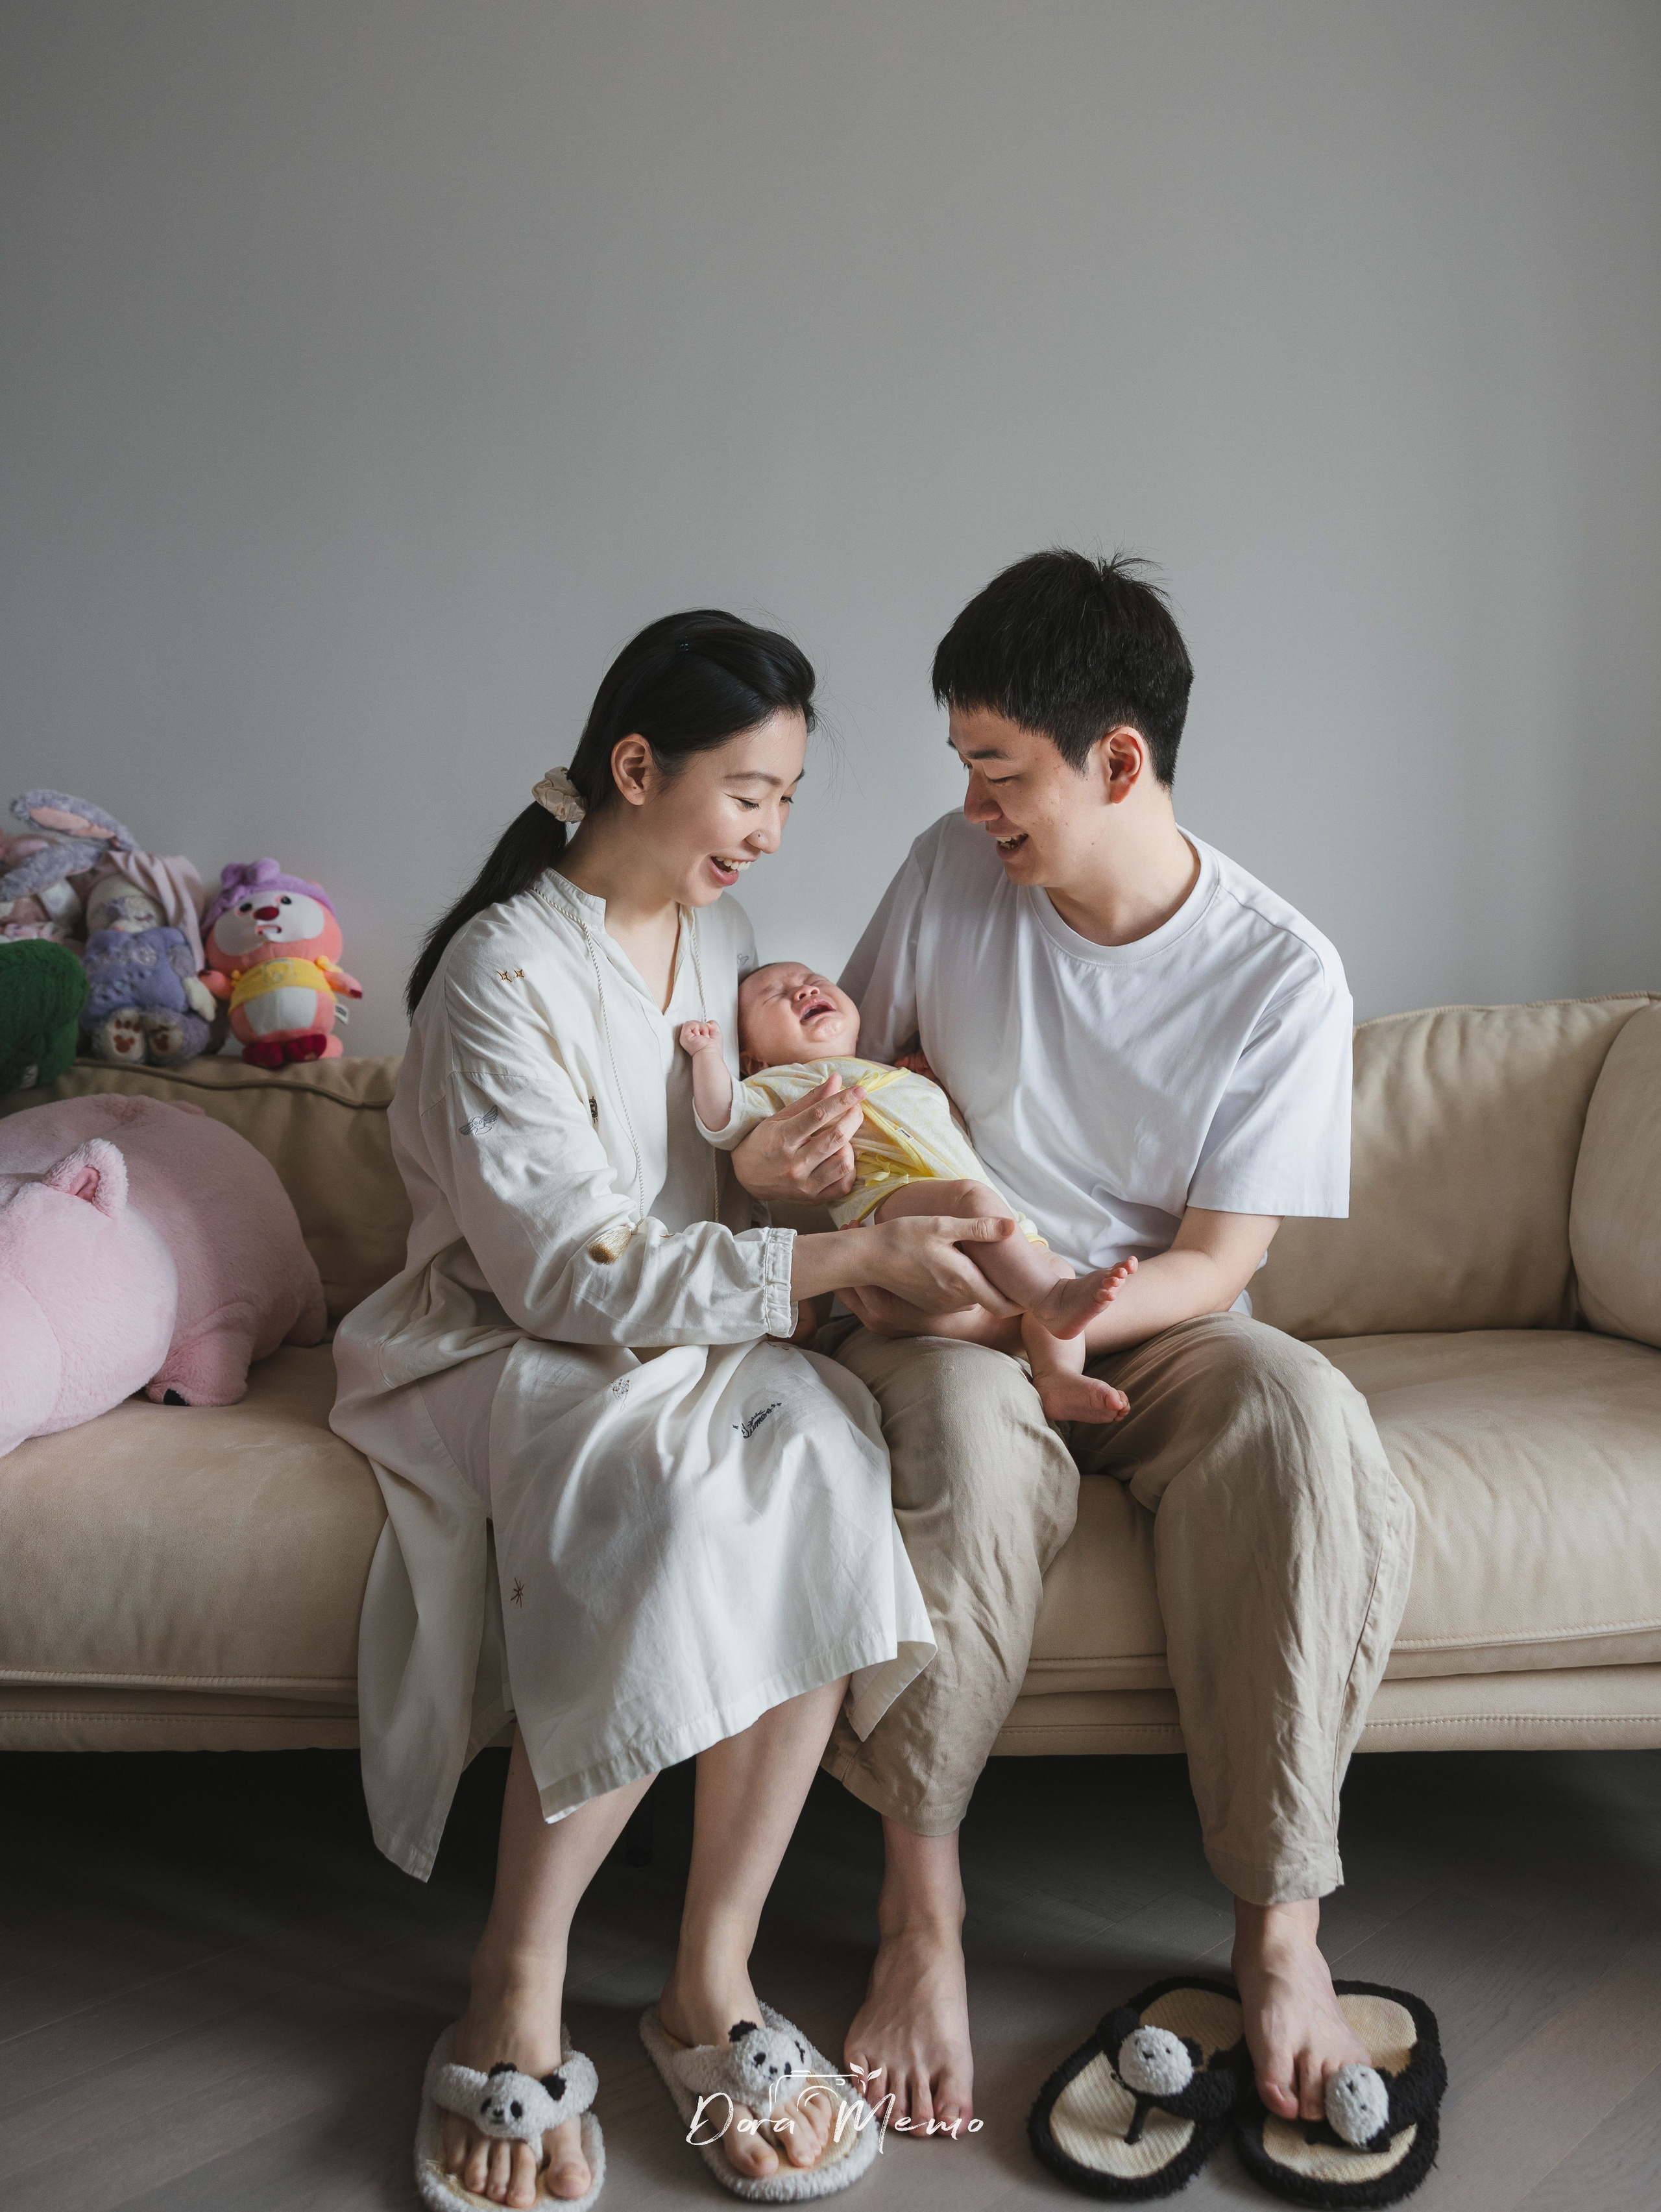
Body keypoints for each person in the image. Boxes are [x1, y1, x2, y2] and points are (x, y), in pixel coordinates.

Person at [332, 610, 1022, 2209]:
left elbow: (697, 1184)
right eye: (746, 792)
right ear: (634, 769)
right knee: (666, 1486)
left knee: (827, 1453)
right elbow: (562, 1270)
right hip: (511, 1340)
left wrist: (774, 1177)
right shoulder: (499, 973)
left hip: (685, 1327)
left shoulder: (721, 939)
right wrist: (836, 1253)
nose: (767, 832)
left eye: (785, 799)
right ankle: (516, 1979)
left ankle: (711, 1974)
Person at [725, 552, 1416, 2140]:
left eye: (998, 770)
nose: (971, 806)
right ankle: (920, 1917)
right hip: (951, 1316)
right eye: (960, 767)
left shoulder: (1277, 970)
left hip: (1149, 1316)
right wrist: (909, 1251)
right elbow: (859, 1078)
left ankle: (1279, 1931)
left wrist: (1060, 1310)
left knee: (1298, 1417)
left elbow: (1215, 1263)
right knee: (971, 1446)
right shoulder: (946, 874)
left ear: (1115, 759)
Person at [679, 961, 1137, 1421]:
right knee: (982, 1213)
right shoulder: (787, 1082)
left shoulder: (897, 1074)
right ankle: (1053, 1300)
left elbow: (951, 1136)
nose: (803, 990)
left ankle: (1057, 1376)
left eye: (812, 979)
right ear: (755, 1060)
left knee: (1053, 1265)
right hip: (890, 1201)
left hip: (983, 1210)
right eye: (775, 995)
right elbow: (723, 1117)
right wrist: (707, 1055)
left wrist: (929, 1085)